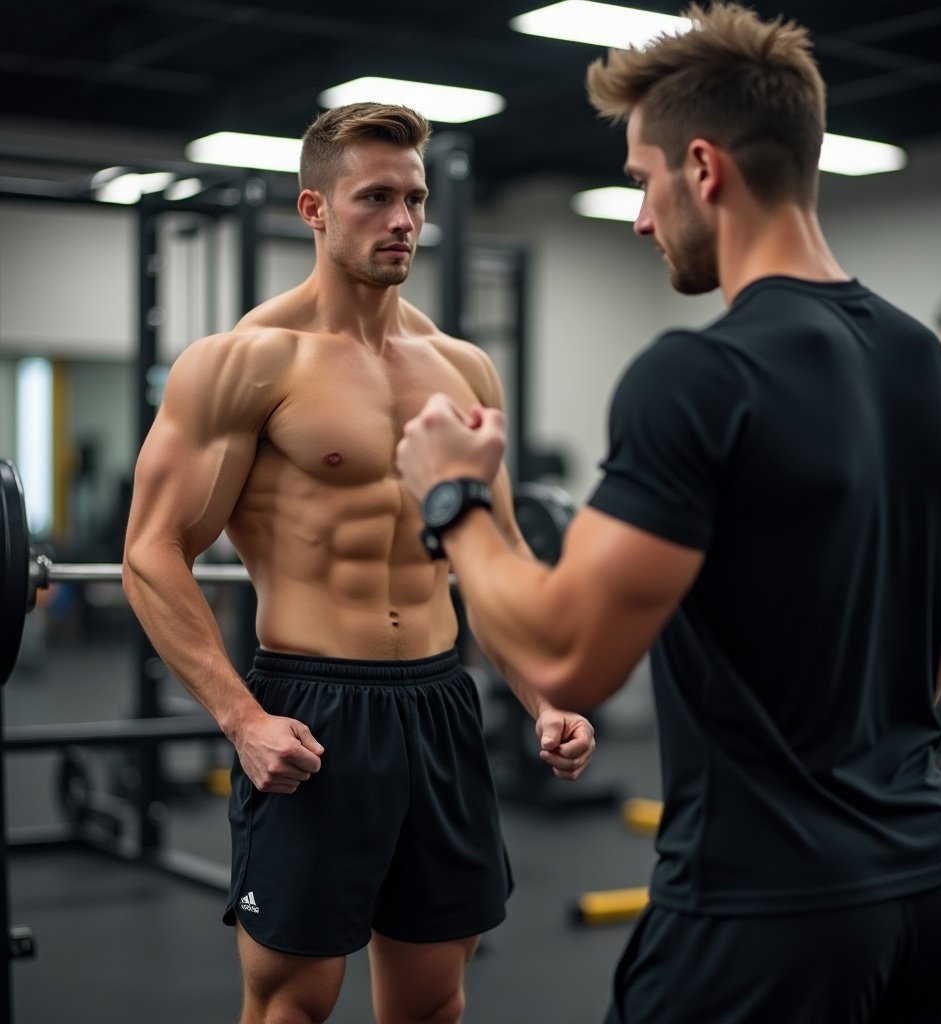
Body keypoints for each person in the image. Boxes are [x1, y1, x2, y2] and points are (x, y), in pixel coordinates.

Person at [395, 5, 941, 1022]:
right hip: (933, 898)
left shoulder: (698, 375)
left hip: (762, 917)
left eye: (641, 180)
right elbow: (938, 657)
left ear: (704, 169)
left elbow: (563, 661)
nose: (638, 216)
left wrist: (453, 497)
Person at [122, 101, 596, 1024]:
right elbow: (150, 552)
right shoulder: (246, 363)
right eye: (376, 197)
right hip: (311, 708)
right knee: (293, 1001)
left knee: (433, 1001)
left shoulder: (463, 370)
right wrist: (242, 720)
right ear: (315, 209)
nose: (404, 220)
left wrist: (546, 697)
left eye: (414, 199)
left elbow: (491, 557)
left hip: (440, 703)